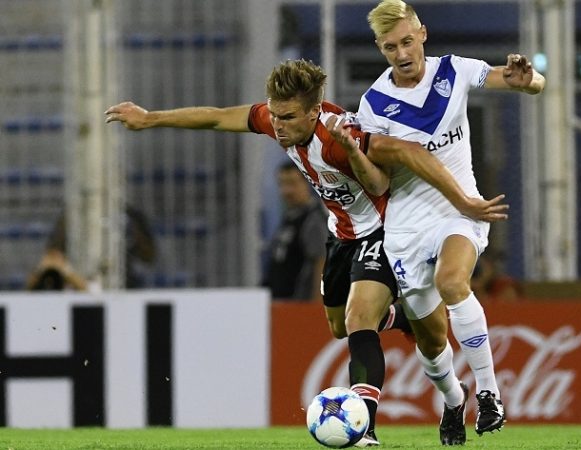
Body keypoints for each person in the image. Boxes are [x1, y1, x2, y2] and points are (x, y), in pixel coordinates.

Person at [105, 59, 507, 447]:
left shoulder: (341, 133)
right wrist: (150, 117)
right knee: (344, 327)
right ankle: (433, 365)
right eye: (275, 117)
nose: (278, 127)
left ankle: (364, 424)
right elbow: (217, 116)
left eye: (289, 118)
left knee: (360, 318)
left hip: (384, 232)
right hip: (341, 235)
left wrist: (462, 199)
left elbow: (394, 170)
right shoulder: (277, 120)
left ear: (315, 111)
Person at [351, 1, 545, 444]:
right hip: (406, 227)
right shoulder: (374, 104)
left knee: (454, 282)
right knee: (432, 342)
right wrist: (358, 154)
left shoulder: (455, 70)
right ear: (381, 50)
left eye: (405, 41)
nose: (401, 53)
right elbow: (380, 184)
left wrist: (528, 82)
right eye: (389, 47)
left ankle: (491, 396)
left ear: (422, 34)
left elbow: (527, 82)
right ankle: (455, 399)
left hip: (461, 210)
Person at [27, 205, 157, 290]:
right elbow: (52, 255)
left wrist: (131, 233)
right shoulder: (72, 216)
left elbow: (149, 255)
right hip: (78, 285)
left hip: (123, 286)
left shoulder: (130, 215)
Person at [262, 161, 327, 302]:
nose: (287, 191)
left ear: (307, 183)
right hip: (281, 304)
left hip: (299, 306)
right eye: (282, 184)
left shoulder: (314, 219)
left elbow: (321, 262)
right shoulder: (290, 217)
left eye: (292, 183)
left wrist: (317, 306)